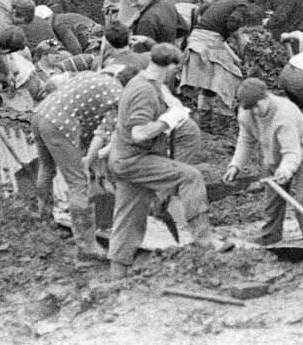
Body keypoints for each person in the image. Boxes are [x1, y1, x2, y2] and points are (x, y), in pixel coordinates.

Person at [108, 44, 229, 277]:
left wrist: (176, 107)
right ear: (171, 66)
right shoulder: (142, 91)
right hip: (135, 159)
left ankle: (117, 277)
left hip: (126, 159)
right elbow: (139, 133)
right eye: (177, 70)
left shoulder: (149, 80)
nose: (177, 75)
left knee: (129, 217)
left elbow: (165, 94)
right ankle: (205, 240)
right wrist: (168, 121)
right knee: (190, 176)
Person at [32, 68, 124, 260]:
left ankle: (44, 223)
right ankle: (87, 245)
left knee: (47, 168)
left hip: (40, 113)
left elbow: (81, 112)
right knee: (78, 183)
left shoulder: (91, 76)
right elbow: (101, 133)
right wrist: (87, 161)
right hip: (60, 124)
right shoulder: (119, 97)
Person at [224, 77, 303, 245]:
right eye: (250, 108)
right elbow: (246, 140)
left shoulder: (285, 113)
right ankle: (271, 236)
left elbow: (292, 151)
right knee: (272, 202)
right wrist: (235, 165)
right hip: (274, 157)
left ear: (266, 97)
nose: (255, 111)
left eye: (257, 105)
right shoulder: (246, 113)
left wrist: (286, 170)